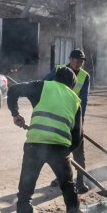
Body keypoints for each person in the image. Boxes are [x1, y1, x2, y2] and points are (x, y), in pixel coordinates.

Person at [8, 66, 83, 213]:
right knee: (68, 186)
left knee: (26, 190)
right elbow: (78, 136)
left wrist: (16, 114)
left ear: (55, 78)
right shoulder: (75, 100)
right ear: (71, 85)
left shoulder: (43, 85)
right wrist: (65, 151)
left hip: (35, 145)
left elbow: (13, 90)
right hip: (60, 148)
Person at [44, 49, 92, 193]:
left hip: (74, 117)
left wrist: (79, 121)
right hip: (58, 117)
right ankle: (61, 177)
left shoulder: (85, 76)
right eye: (76, 60)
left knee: (78, 150)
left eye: (81, 61)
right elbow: (44, 84)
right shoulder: (58, 70)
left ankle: (80, 183)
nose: (79, 63)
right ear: (69, 59)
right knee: (60, 149)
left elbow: (83, 101)